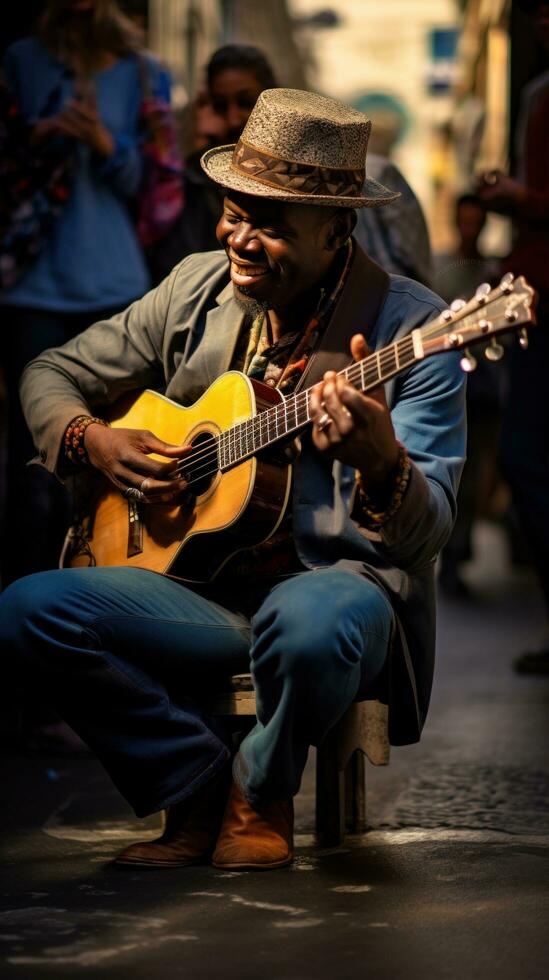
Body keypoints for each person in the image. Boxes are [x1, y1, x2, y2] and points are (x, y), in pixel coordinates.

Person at [0, 88, 466, 871]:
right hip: (199, 593)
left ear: (337, 227)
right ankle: (194, 783)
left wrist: (383, 460)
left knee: (314, 622)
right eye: (231, 214)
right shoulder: (196, 287)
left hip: (330, 586)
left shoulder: (414, 332)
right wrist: (93, 440)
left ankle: (261, 789)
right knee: (27, 611)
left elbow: (432, 529)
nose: (239, 241)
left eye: (272, 226)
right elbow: (50, 372)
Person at [0, 0, 173, 585]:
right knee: (34, 460)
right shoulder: (22, 61)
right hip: (34, 285)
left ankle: (111, 582)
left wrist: (103, 142)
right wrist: (41, 136)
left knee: (126, 448)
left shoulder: (144, 71)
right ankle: (28, 599)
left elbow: (154, 183)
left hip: (118, 283)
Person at [477, 0, 549, 672]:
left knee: (528, 459)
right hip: (532, 304)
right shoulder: (535, 93)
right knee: (525, 462)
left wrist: (518, 201)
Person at [433, 194, 502, 597]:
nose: (470, 228)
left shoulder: (493, 272)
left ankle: (457, 558)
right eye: (466, 221)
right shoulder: (438, 264)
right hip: (445, 379)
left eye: (478, 221)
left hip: (482, 386)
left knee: (473, 476)